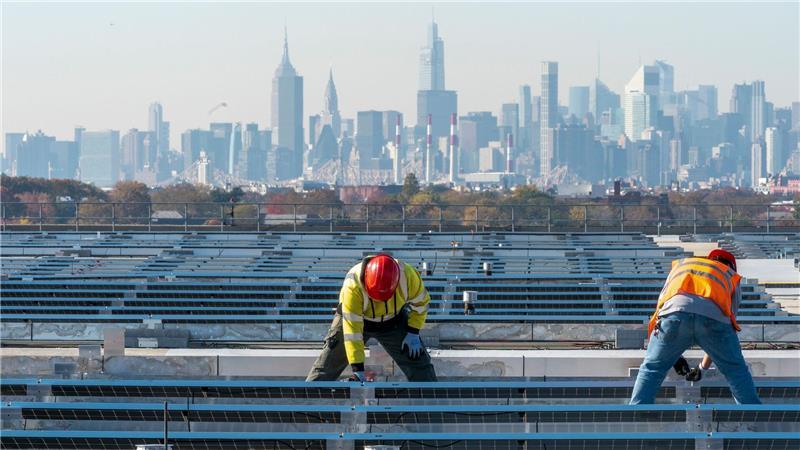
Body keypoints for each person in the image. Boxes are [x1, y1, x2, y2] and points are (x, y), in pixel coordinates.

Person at [630, 249, 761, 404]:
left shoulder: (683, 267)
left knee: (652, 368)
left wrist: (674, 358)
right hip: (713, 321)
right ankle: (751, 413)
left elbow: (660, 311)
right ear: (731, 266)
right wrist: (702, 369)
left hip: (673, 316)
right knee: (735, 370)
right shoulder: (729, 275)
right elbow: (724, 328)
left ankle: (638, 411)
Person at [306, 253, 437, 382]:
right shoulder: (353, 286)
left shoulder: (409, 276)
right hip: (357, 320)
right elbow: (353, 333)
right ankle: (308, 397)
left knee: (420, 365)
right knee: (327, 366)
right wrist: (358, 368)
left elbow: (422, 304)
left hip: (393, 321)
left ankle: (432, 398)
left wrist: (413, 331)